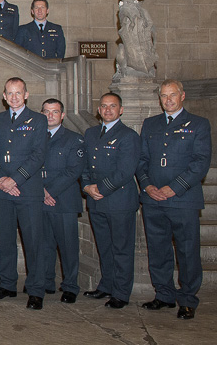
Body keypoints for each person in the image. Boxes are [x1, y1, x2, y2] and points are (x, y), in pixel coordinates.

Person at [137, 80, 212, 320]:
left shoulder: (199, 124)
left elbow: (200, 162)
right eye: (163, 96)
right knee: (158, 250)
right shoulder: (150, 124)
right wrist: (148, 186)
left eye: (172, 95)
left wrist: (174, 188)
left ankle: (188, 299)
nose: (168, 100)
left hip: (183, 200)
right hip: (153, 200)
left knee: (187, 252)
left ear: (182, 96)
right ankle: (164, 295)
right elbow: (141, 160)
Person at [0, 77, 48, 310]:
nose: (14, 97)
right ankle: (8, 285)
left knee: (33, 241)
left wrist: (16, 178)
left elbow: (38, 155)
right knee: (5, 240)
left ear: (26, 94)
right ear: (4, 96)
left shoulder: (39, 120)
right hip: (1, 190)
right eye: (9, 93)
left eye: (18, 93)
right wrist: (1, 178)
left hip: (28, 190)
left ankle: (35, 290)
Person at [81, 92, 140, 308]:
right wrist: (86, 186)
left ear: (121, 110)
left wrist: (101, 188)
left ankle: (121, 293)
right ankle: (107, 285)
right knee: (104, 247)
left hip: (119, 201)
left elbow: (125, 171)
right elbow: (84, 165)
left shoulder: (128, 136)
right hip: (96, 201)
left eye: (112, 106)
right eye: (104, 106)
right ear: (98, 110)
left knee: (121, 249)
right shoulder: (91, 133)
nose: (107, 110)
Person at [39, 98, 85, 304]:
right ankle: (47, 281)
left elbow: (73, 170)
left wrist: (50, 191)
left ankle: (70, 286)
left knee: (68, 246)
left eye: (55, 112)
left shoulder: (74, 139)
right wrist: (40, 191)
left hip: (64, 200)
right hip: (39, 199)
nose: (50, 115)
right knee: (44, 244)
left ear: (62, 115)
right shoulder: (35, 137)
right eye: (46, 112)